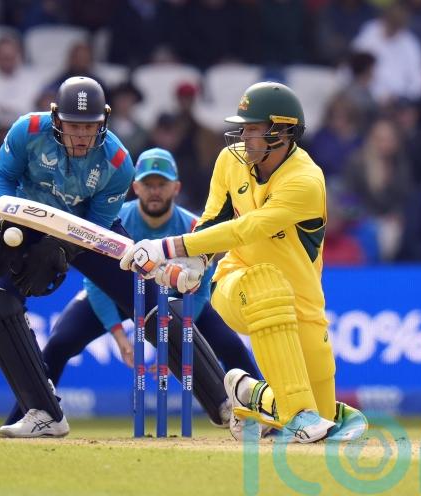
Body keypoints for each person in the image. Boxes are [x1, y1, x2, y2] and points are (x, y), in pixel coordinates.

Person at [0, 76, 247, 438]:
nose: (82, 136)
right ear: (57, 117)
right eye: (74, 126)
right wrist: (11, 222)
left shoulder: (118, 162)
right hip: (27, 223)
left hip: (89, 229)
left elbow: (96, 226)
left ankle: (221, 402)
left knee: (155, 306)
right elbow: (2, 178)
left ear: (103, 121)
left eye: (90, 127)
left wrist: (59, 247)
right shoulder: (28, 130)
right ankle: (43, 413)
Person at [120, 82, 368, 443]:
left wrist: (168, 248)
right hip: (237, 283)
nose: (243, 136)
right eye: (244, 128)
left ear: (281, 131)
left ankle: (248, 393)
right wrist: (197, 260)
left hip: (302, 301)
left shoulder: (305, 180)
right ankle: (297, 415)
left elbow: (247, 228)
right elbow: (215, 218)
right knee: (265, 284)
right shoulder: (229, 161)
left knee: (325, 414)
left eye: (252, 129)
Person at [2, 148, 260, 428]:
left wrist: (175, 336)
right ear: (135, 187)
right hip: (113, 294)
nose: (155, 192)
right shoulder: (118, 217)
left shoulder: (194, 226)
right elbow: (96, 280)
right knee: (59, 344)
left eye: (161, 185)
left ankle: (263, 409)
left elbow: (198, 292)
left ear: (176, 187)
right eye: (148, 185)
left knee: (230, 344)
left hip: (171, 299)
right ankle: (31, 415)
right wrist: (120, 337)